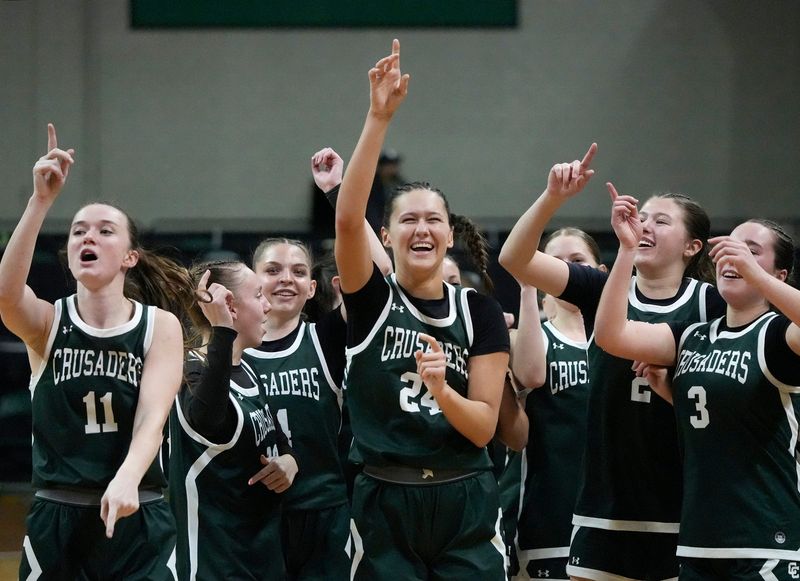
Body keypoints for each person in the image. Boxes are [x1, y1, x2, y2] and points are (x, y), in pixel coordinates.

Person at [499, 154, 725, 581]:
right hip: (605, 501)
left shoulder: (712, 305)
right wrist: (552, 197)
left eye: (661, 221)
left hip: (680, 501)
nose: (645, 225)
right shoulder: (603, 288)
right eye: (643, 217)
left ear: (693, 246)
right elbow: (514, 258)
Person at [335, 39, 510, 579]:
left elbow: (483, 428)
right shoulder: (370, 300)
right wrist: (377, 117)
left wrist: (441, 391)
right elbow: (346, 220)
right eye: (408, 220)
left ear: (448, 234)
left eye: (433, 219)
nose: (422, 228)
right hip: (386, 498)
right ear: (384, 236)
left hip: (466, 497)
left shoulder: (478, 310)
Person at [0, 124, 185, 579]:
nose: (89, 238)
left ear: (129, 257)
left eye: (105, 231)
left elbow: (152, 418)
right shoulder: (48, 323)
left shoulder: (159, 326)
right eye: (79, 231)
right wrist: (40, 202)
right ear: (67, 253)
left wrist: (127, 477)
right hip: (58, 513)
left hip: (137, 510)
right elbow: (6, 295)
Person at [595, 189, 800, 580]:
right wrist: (624, 251)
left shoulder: (778, 335)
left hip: (763, 541)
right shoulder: (692, 336)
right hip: (696, 541)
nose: (735, 255)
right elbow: (610, 335)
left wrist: (754, 274)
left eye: (753, 250)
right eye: (732, 246)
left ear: (780, 275)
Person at [242, 147, 392, 580]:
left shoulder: (325, 339)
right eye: (272, 270)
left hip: (324, 515)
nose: (285, 278)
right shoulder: (227, 351)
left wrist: (336, 193)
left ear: (312, 288)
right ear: (252, 282)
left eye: (296, 271)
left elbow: (381, 278)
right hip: (251, 517)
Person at [169, 261, 298, 580]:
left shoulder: (249, 370)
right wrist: (222, 332)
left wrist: (291, 461)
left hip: (262, 556)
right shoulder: (190, 372)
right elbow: (208, 420)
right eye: (258, 295)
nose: (268, 305)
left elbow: (277, 439)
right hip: (216, 564)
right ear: (230, 307)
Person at [510, 228, 604, 581]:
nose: (566, 272)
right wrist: (527, 284)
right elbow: (531, 375)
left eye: (577, 262)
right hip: (551, 516)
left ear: (602, 271)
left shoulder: (628, 338)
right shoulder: (537, 338)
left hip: (616, 518)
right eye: (554, 263)